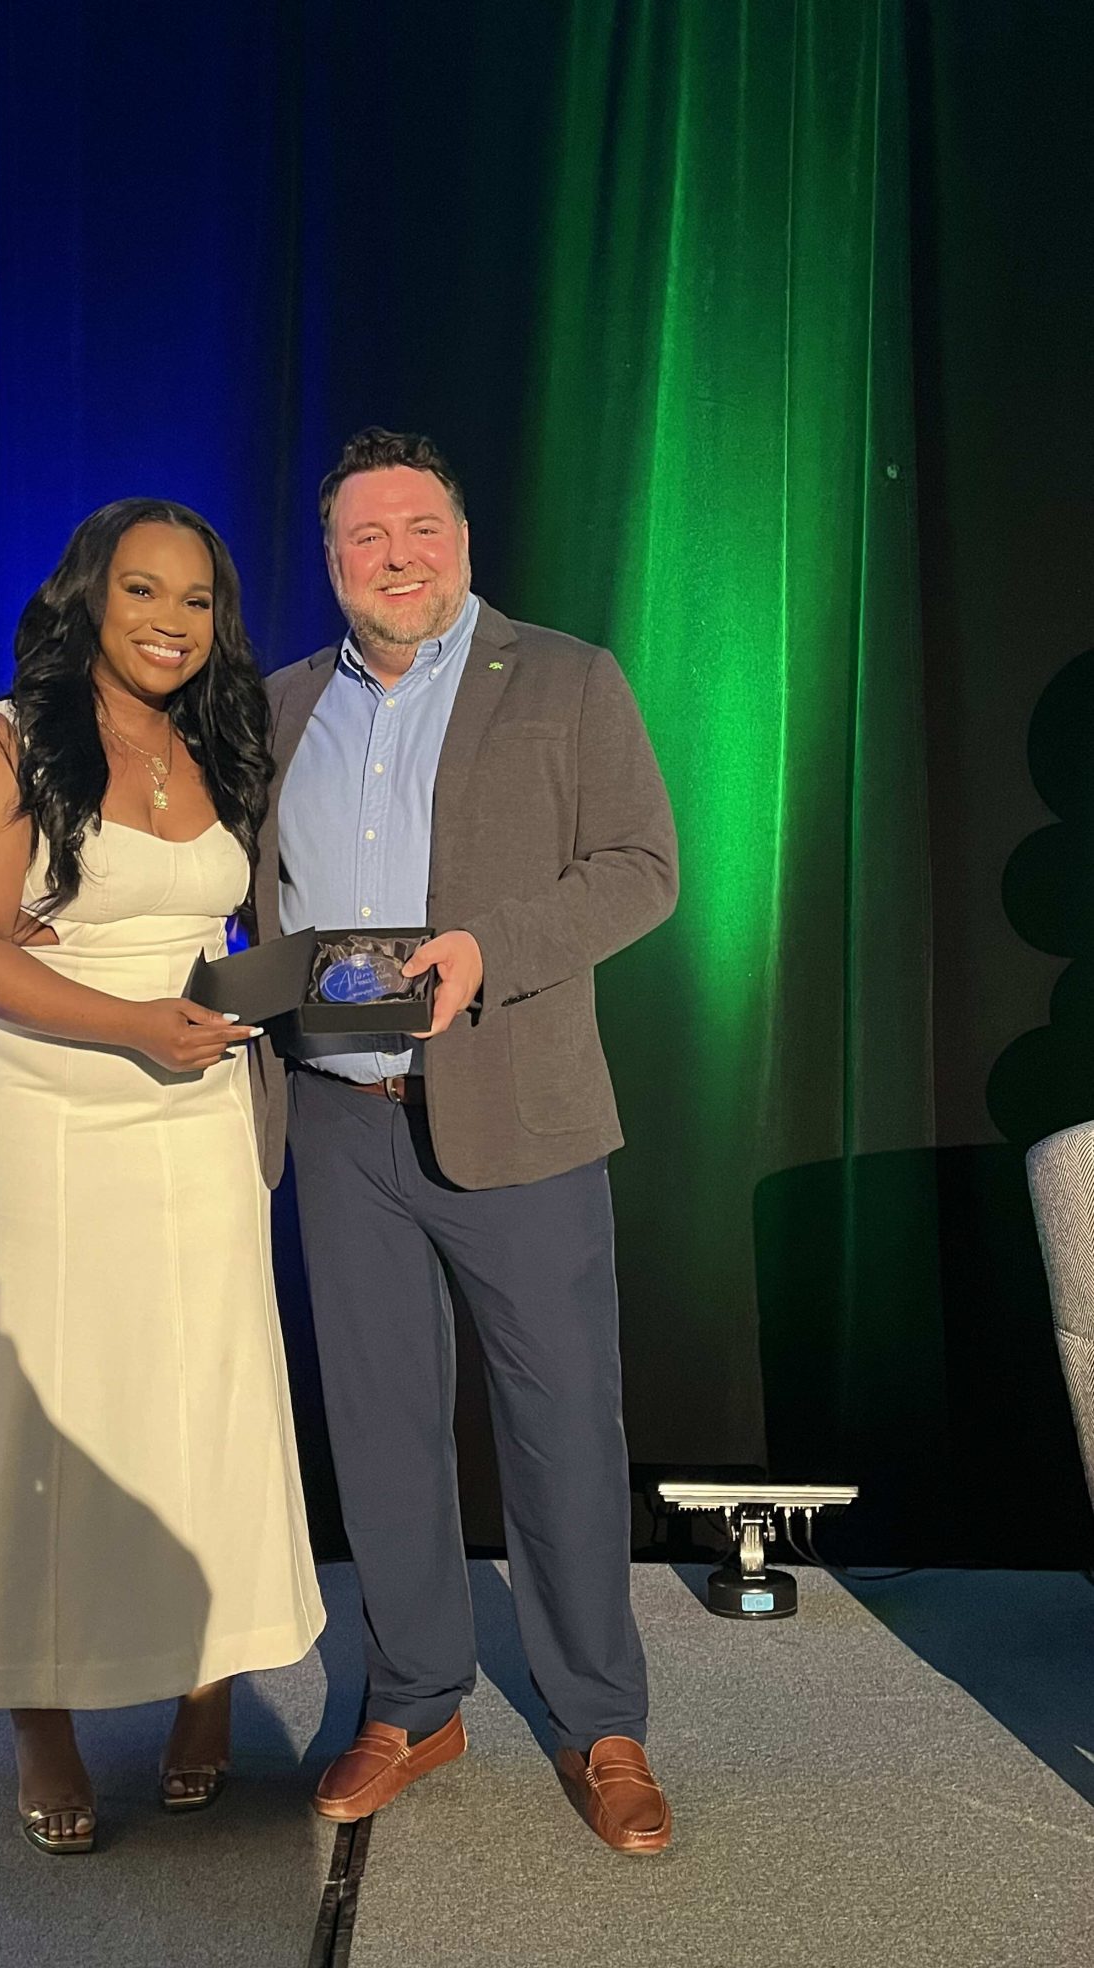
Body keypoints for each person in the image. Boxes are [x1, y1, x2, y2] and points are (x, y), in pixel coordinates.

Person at [254, 428, 678, 1853]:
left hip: (521, 1110)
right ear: (332, 562)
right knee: (378, 1431)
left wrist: (491, 947)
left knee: (562, 1424)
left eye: (420, 529)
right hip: (338, 1116)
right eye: (367, 538)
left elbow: (641, 871)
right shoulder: (278, 707)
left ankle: (600, 1722)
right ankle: (416, 1699)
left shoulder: (564, 677)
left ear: (464, 539)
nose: (397, 558)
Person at [0, 498, 325, 1855]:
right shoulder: (5, 743)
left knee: (198, 1396)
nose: (170, 621)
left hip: (200, 1123)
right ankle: (43, 1720)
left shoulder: (228, 738)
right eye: (143, 591)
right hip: (50, 1122)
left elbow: (242, 915)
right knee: (50, 1412)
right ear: (90, 597)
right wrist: (130, 1025)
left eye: (197, 600)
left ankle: (204, 1689)